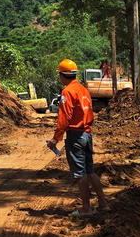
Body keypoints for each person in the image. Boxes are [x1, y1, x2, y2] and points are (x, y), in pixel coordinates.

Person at [46, 58, 108, 216]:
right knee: (90, 171)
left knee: (80, 174)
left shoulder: (67, 92)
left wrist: (55, 139)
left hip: (75, 136)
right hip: (87, 134)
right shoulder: (83, 90)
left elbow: (64, 118)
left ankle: (86, 209)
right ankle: (103, 205)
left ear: (62, 75)